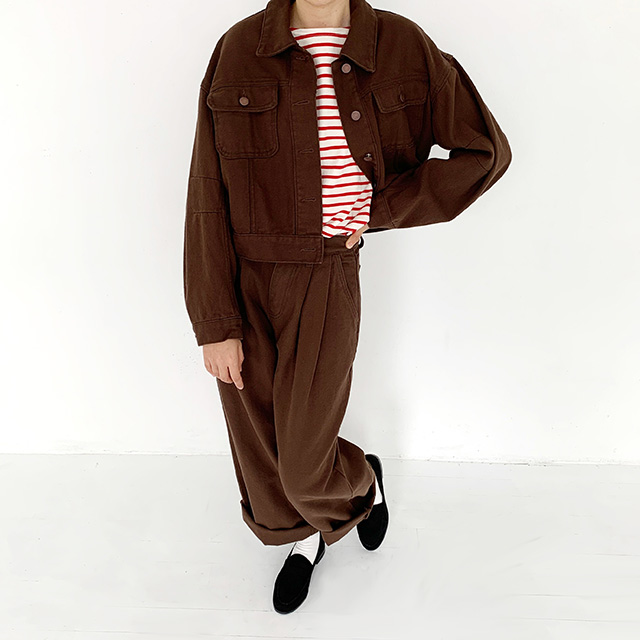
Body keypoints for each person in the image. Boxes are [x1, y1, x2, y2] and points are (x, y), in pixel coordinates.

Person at [183, 0, 512, 615]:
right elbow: (206, 190)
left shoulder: (400, 43)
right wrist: (214, 320)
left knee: (305, 466)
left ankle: (362, 481)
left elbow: (484, 152)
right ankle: (303, 540)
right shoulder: (239, 48)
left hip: (327, 271)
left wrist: (380, 210)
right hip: (242, 274)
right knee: (261, 453)